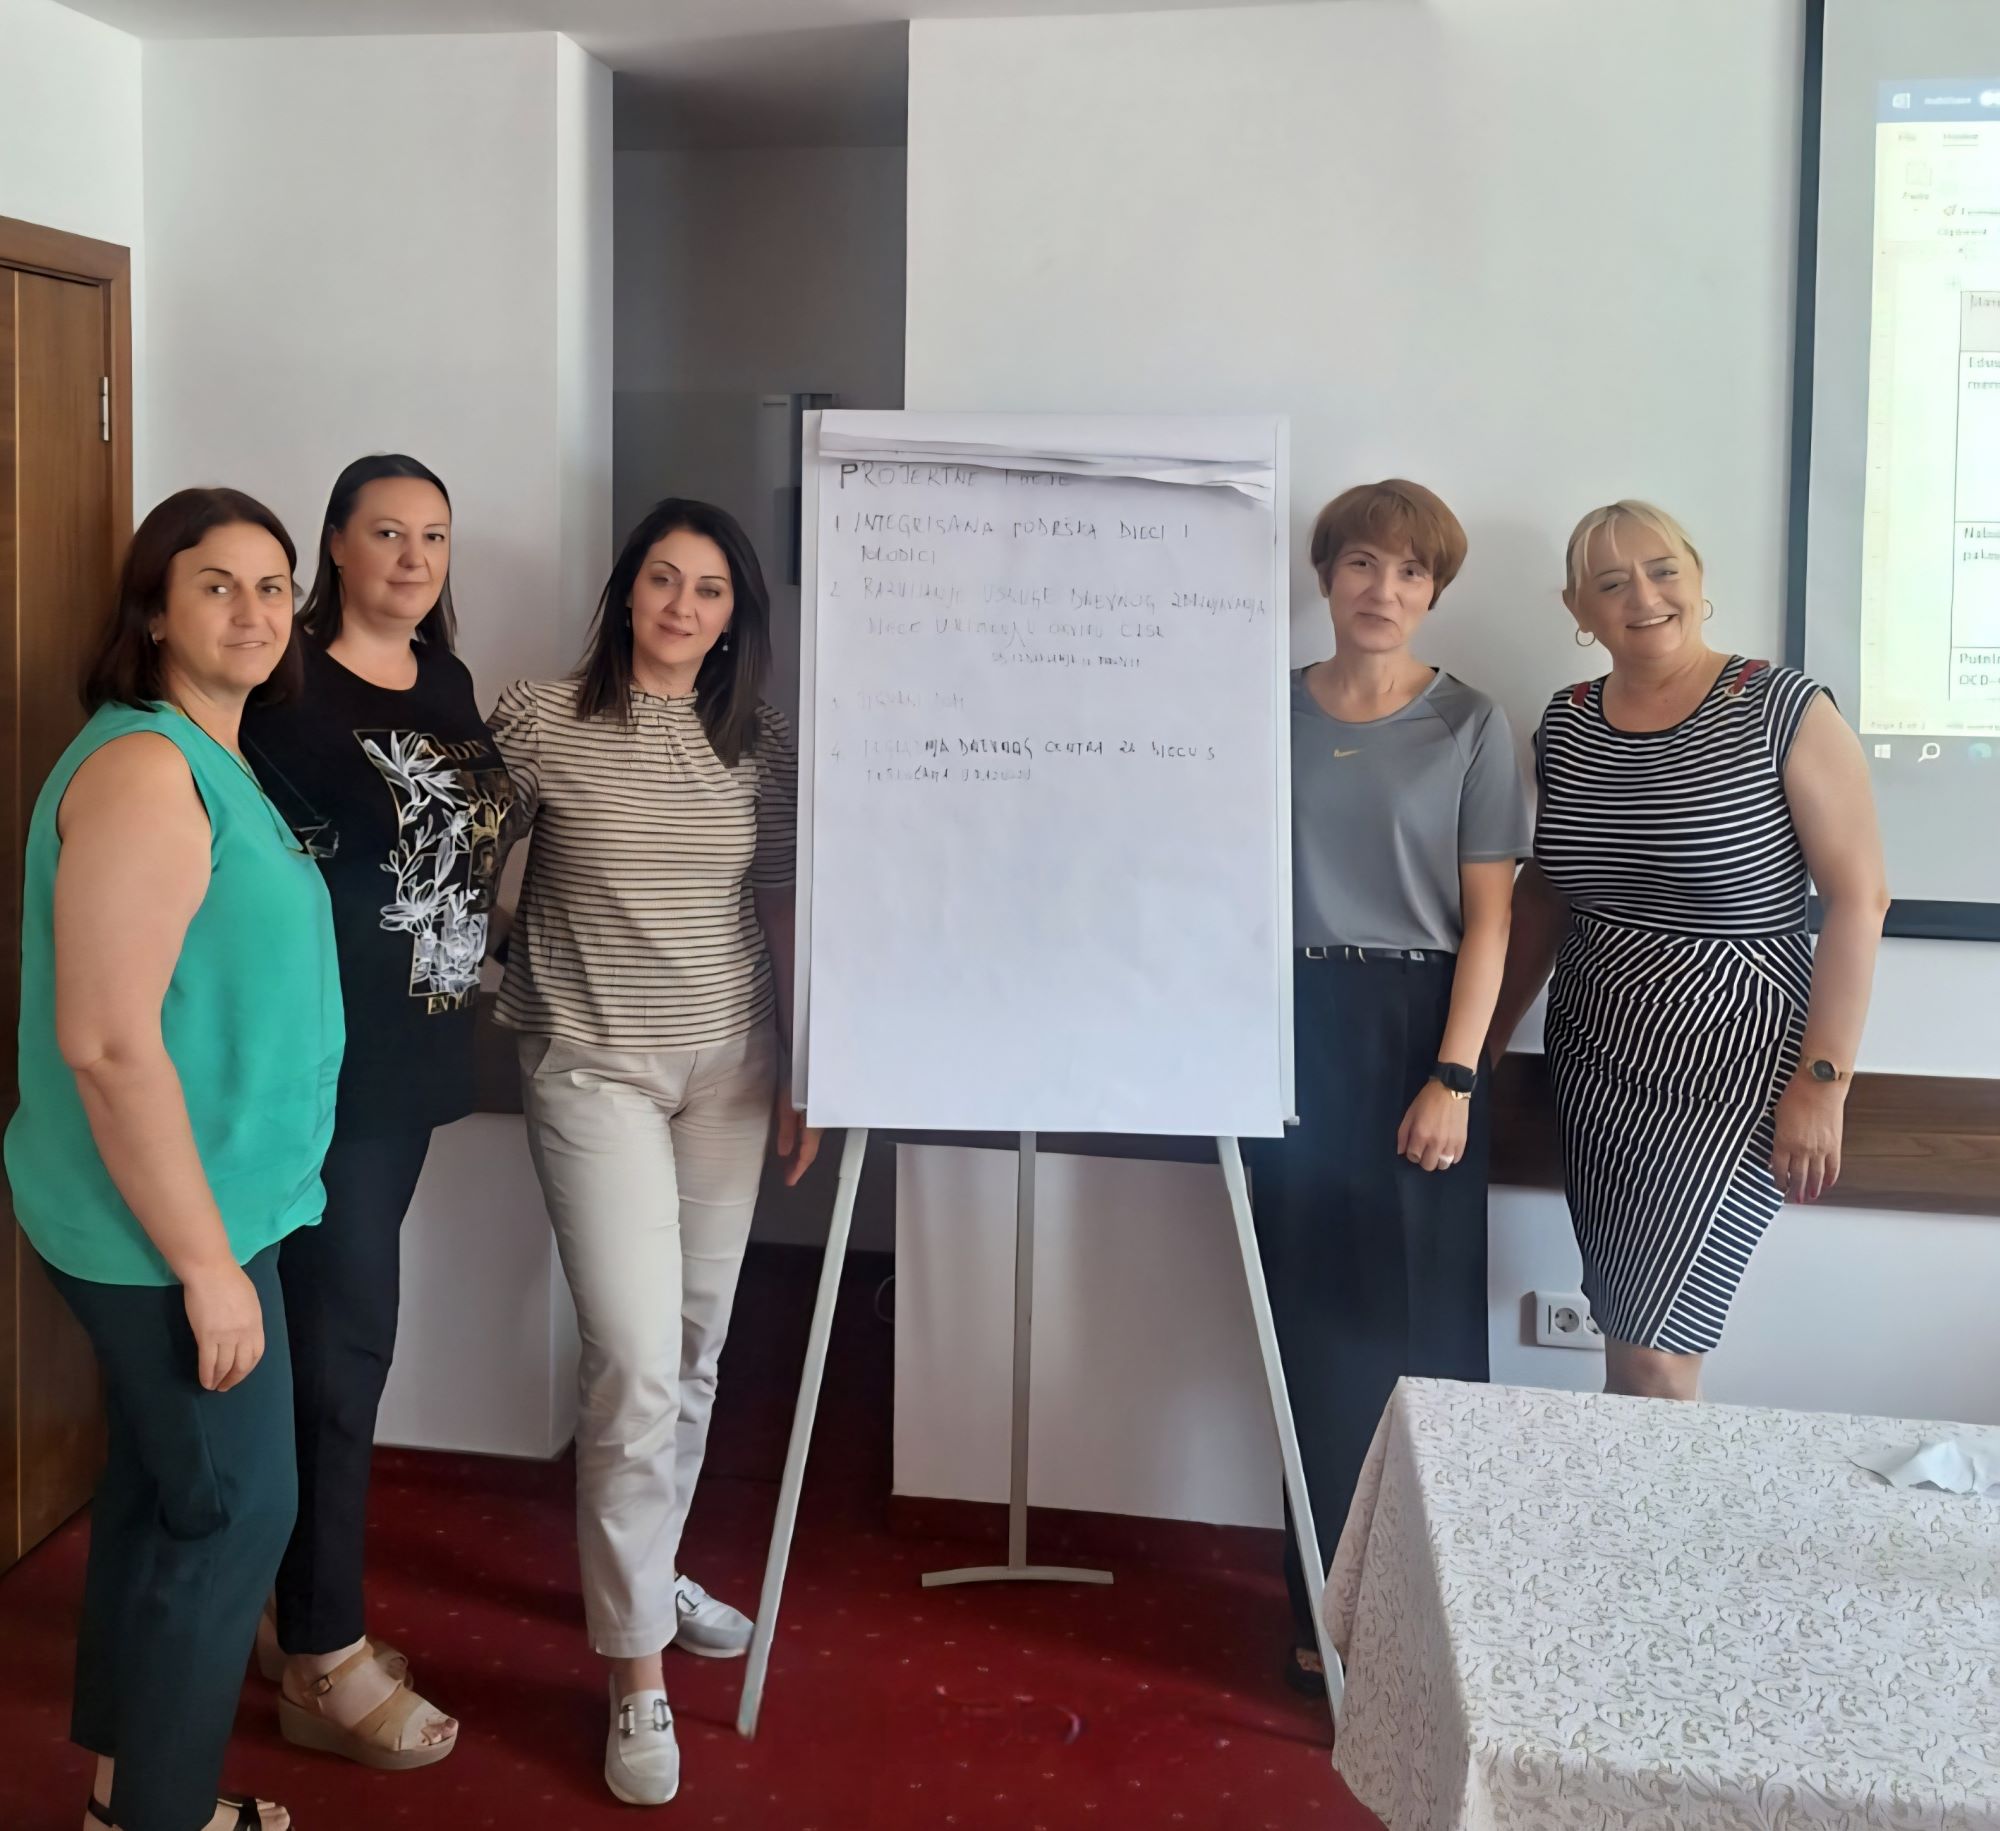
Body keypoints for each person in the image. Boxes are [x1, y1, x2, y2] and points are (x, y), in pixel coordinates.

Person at [5, 489, 343, 1831]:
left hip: (213, 1203)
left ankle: (123, 1792)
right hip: (161, 1229)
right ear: (154, 609)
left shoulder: (210, 751)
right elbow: (104, 1043)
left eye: (272, 586)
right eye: (216, 584)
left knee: (165, 1496)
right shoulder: (148, 769)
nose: (253, 611)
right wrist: (207, 1269)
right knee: (239, 1512)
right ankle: (156, 1813)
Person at [488, 497, 820, 1807]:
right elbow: (464, 860)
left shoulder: (760, 743)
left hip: (728, 1072)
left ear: (736, 615)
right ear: (626, 590)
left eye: (710, 589)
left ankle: (652, 1564)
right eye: (664, 580)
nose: (683, 606)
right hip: (593, 1069)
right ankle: (635, 1672)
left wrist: (805, 1063)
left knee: (690, 1344)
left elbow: (777, 901)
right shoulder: (539, 717)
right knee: (630, 1358)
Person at [1487, 500, 1889, 1400]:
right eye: (1611, 582)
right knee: (1628, 1325)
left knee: (1657, 1348)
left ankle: (1652, 1497)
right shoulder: (1567, 722)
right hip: (1597, 1053)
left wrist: (1824, 1082)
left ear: (1698, 578)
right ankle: (1634, 1494)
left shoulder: (1783, 707)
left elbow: (1860, 899)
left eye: (1663, 569)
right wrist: (1482, 1045)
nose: (1644, 595)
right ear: (1578, 609)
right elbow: (1547, 894)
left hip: (1734, 1061)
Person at [240, 454, 510, 1767]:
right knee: (343, 1353)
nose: (413, 557)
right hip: (325, 1069)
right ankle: (324, 1655)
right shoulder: (282, 689)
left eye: (435, 537)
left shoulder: (444, 681)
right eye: (388, 532)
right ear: (335, 544)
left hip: (415, 1067)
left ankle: (288, 1611)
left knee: (333, 1344)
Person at [1249, 480, 1531, 1696]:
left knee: (1423, 1335)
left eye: (1410, 571)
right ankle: (1320, 1620)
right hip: (1284, 1026)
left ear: (1433, 592)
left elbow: (1490, 924)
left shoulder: (1470, 722)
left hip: (1421, 1027)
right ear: (1324, 575)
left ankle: (1430, 1623)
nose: (1383, 589)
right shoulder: (1257, 710)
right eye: (1361, 562)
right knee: (1308, 1330)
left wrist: (1454, 1076)